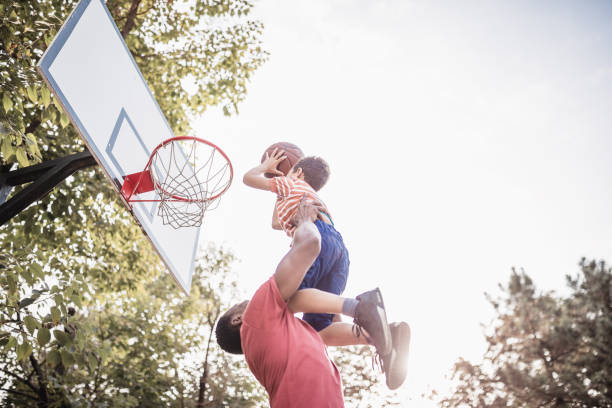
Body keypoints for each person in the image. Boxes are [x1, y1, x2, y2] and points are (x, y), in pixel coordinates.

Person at [216, 198, 409, 407]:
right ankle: (364, 310)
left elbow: (330, 324)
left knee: (318, 328)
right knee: (290, 298)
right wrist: (305, 220)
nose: (246, 301)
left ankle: (381, 335)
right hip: (332, 247)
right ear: (237, 319)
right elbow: (310, 243)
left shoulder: (272, 345)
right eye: (239, 304)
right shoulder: (255, 318)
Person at [243, 149, 358, 348]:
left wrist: (266, 168)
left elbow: (248, 178)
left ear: (299, 173)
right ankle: (374, 334)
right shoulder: (307, 193)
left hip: (317, 237)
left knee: (288, 297)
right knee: (320, 329)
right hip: (339, 249)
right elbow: (276, 223)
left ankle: (359, 308)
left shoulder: (291, 183)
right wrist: (279, 193)